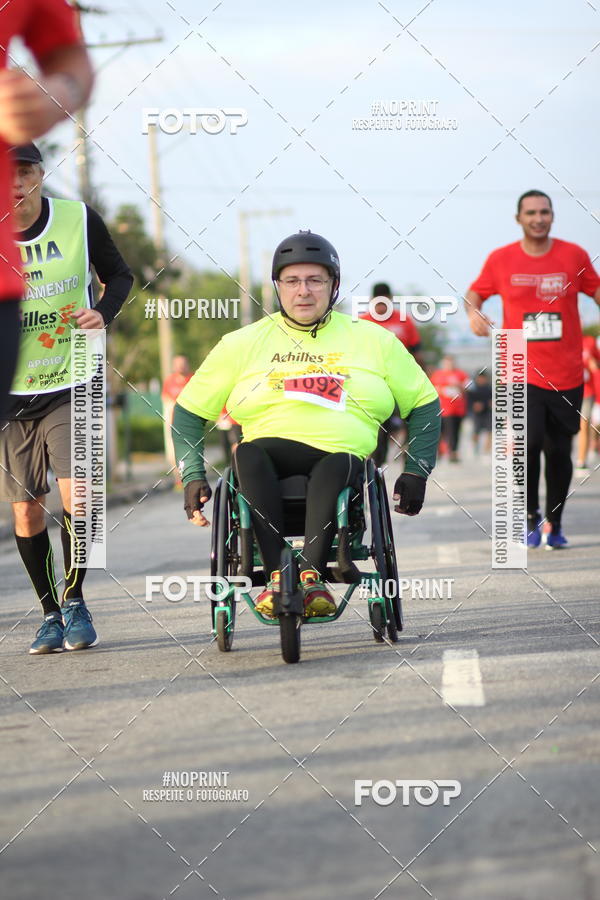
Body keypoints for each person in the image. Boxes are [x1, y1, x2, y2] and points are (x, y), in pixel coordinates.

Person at [172, 231, 441, 618]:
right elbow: (189, 412)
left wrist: (416, 471)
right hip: (266, 457)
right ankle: (281, 577)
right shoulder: (241, 343)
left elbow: (424, 404)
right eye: (292, 281)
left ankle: (310, 577)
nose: (304, 291)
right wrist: (192, 474)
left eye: (315, 280)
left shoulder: (374, 340)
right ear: (277, 287)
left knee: (338, 461)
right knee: (245, 454)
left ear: (333, 286)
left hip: (343, 458)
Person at [1, 143, 133, 653]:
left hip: (70, 378)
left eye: (26, 172)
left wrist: (104, 312)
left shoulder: (77, 219)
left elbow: (120, 275)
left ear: (39, 174)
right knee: (27, 512)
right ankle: (49, 613)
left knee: (80, 497)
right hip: (12, 393)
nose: (16, 185)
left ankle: (76, 599)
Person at [466, 189, 600, 548]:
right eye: (531, 213)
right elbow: (475, 293)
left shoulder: (574, 255)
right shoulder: (501, 260)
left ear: (552, 216)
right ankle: (529, 515)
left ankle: (554, 522)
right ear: (519, 218)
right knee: (528, 442)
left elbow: (596, 290)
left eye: (544, 212)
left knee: (559, 451)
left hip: (567, 371)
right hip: (519, 365)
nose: (538, 218)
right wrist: (473, 314)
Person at [0, 1, 94, 419]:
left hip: (62, 376)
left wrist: (53, 96)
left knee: (77, 486)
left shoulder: (78, 219)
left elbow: (72, 61)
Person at [360, 282, 423, 466]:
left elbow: (417, 351)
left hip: (403, 379)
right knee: (381, 426)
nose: (382, 307)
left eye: (385, 302)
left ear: (391, 300)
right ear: (372, 301)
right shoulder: (363, 321)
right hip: (376, 381)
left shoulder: (404, 321)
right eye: (378, 303)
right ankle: (377, 463)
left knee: (412, 417)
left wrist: (421, 377)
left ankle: (408, 456)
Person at [430, 355, 469, 462]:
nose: (449, 365)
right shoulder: (438, 375)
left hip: (458, 409)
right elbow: (433, 389)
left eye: (450, 363)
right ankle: (440, 451)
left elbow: (468, 386)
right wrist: (442, 390)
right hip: (443, 409)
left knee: (455, 431)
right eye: (446, 363)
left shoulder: (460, 374)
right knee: (441, 431)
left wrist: (459, 386)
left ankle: (453, 452)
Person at [161, 354, 192, 475]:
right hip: (173, 420)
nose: (181, 367)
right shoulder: (169, 381)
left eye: (183, 363)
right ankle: (178, 477)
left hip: (190, 421)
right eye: (178, 364)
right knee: (173, 450)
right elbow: (166, 400)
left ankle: (191, 474)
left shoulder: (194, 379)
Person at [575, 334, 599, 474]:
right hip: (567, 389)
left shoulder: (589, 341)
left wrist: (593, 363)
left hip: (586, 391)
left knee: (584, 424)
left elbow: (596, 361)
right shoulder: (563, 339)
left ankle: (581, 461)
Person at [468, 369, 493, 456]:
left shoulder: (489, 388)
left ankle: (487, 450)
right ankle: (475, 448)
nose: (481, 380)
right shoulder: (473, 388)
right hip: (477, 414)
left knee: (490, 431)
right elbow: (469, 400)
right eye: (480, 378)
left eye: (483, 378)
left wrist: (486, 404)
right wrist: (474, 406)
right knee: (476, 431)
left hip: (488, 413)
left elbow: (491, 401)